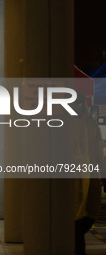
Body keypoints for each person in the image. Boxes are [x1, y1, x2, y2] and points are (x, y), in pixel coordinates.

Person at [73, 93, 103, 255]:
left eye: (81, 103)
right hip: (73, 178)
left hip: (89, 177)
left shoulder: (90, 125)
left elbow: (98, 154)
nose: (80, 106)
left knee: (86, 215)